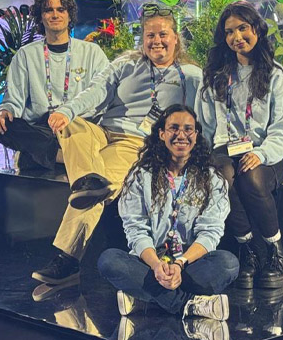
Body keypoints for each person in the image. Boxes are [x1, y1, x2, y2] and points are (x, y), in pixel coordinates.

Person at [31, 3, 203, 298]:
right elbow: (95, 92)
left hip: (133, 141)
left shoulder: (190, 75)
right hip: (99, 131)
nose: (156, 41)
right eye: (150, 35)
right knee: (73, 126)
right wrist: (67, 111)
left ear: (176, 38)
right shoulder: (126, 64)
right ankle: (88, 181)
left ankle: (67, 259)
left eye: (163, 34)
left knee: (98, 186)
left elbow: (205, 115)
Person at [97, 105, 238, 321]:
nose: (181, 135)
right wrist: (156, 265)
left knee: (228, 264)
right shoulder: (140, 176)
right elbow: (136, 231)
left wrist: (180, 264)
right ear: (162, 134)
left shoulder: (212, 178)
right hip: (150, 263)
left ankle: (146, 299)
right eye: (174, 128)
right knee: (109, 261)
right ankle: (188, 304)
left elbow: (210, 233)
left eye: (188, 129)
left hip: (190, 264)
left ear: (196, 136)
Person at [195, 0, 283, 290]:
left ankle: (276, 252)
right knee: (221, 176)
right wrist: (203, 158)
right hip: (225, 150)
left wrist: (261, 154)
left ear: (257, 30)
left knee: (251, 176)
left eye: (242, 28)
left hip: (267, 151)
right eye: (229, 32)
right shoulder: (215, 76)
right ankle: (247, 250)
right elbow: (205, 127)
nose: (236, 37)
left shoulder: (276, 76)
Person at [0, 0, 109, 170]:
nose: (55, 15)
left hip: (78, 126)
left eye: (61, 9)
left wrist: (68, 114)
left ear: (69, 15)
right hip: (41, 128)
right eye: (48, 10)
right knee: (3, 125)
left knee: (84, 132)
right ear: (41, 17)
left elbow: (102, 93)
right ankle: (62, 156)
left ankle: (42, 154)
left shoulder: (92, 52)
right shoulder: (26, 54)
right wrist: (5, 111)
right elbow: (14, 99)